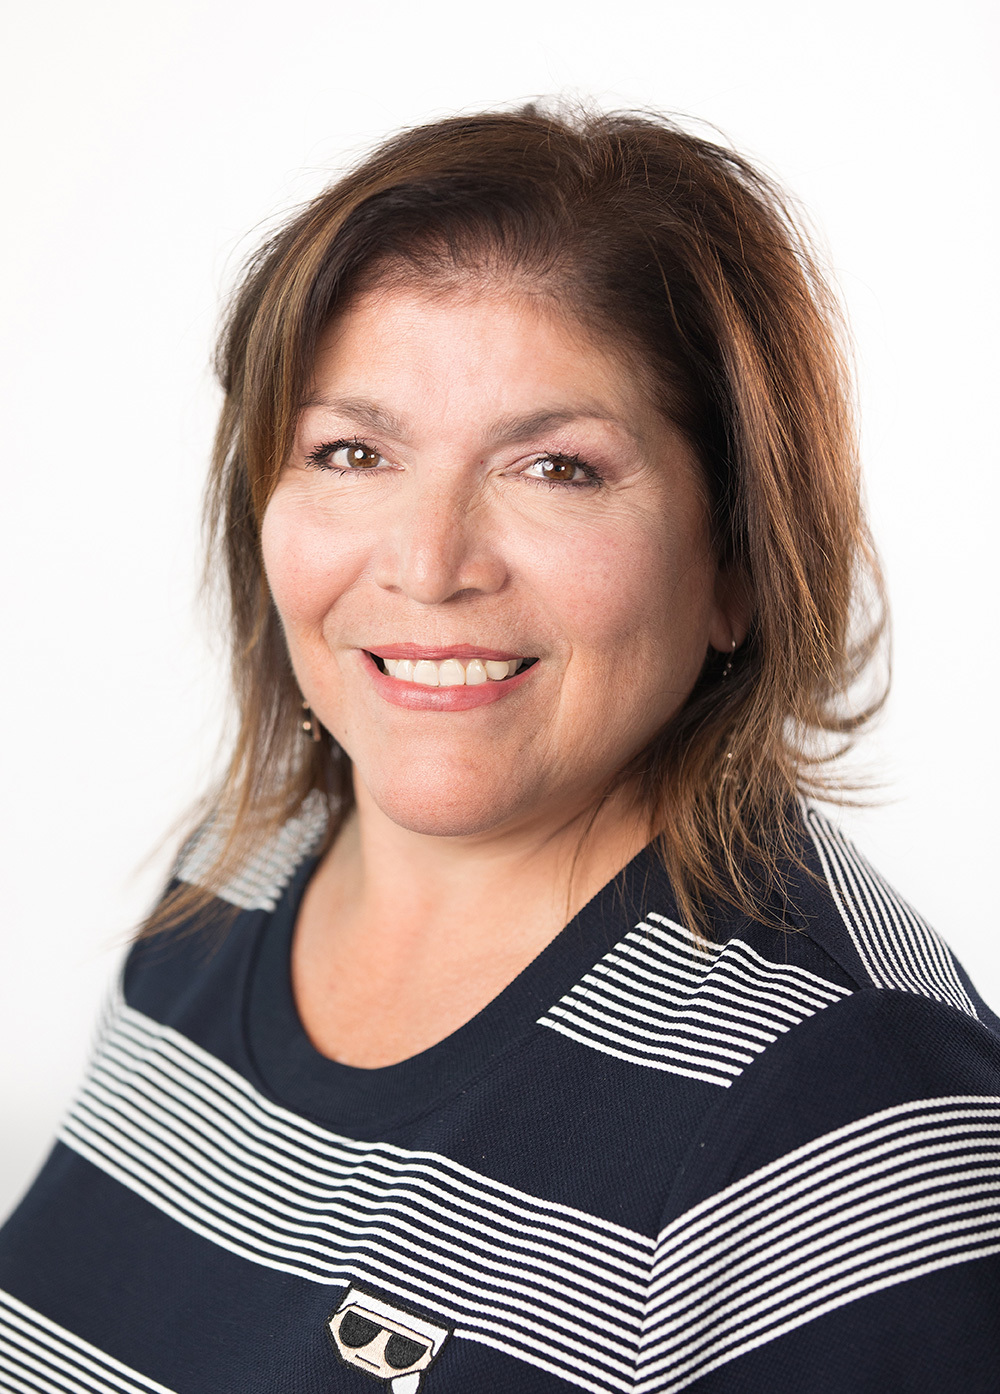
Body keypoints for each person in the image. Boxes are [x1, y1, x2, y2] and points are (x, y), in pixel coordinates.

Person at [0, 103, 997, 1394]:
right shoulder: (243, 869)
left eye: (557, 468)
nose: (427, 563)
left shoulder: (853, 1113)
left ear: (739, 562)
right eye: (351, 451)